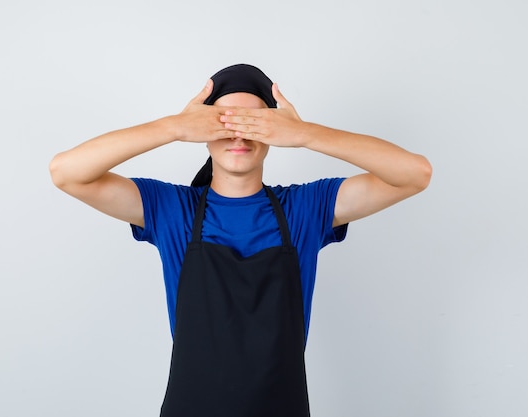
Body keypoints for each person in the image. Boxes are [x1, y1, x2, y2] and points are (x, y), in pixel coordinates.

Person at [49, 64, 432, 417]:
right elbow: (66, 172)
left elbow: (415, 174)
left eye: (255, 123)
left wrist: (305, 133)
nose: (239, 134)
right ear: (203, 132)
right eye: (223, 121)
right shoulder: (172, 210)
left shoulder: (304, 209)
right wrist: (173, 127)